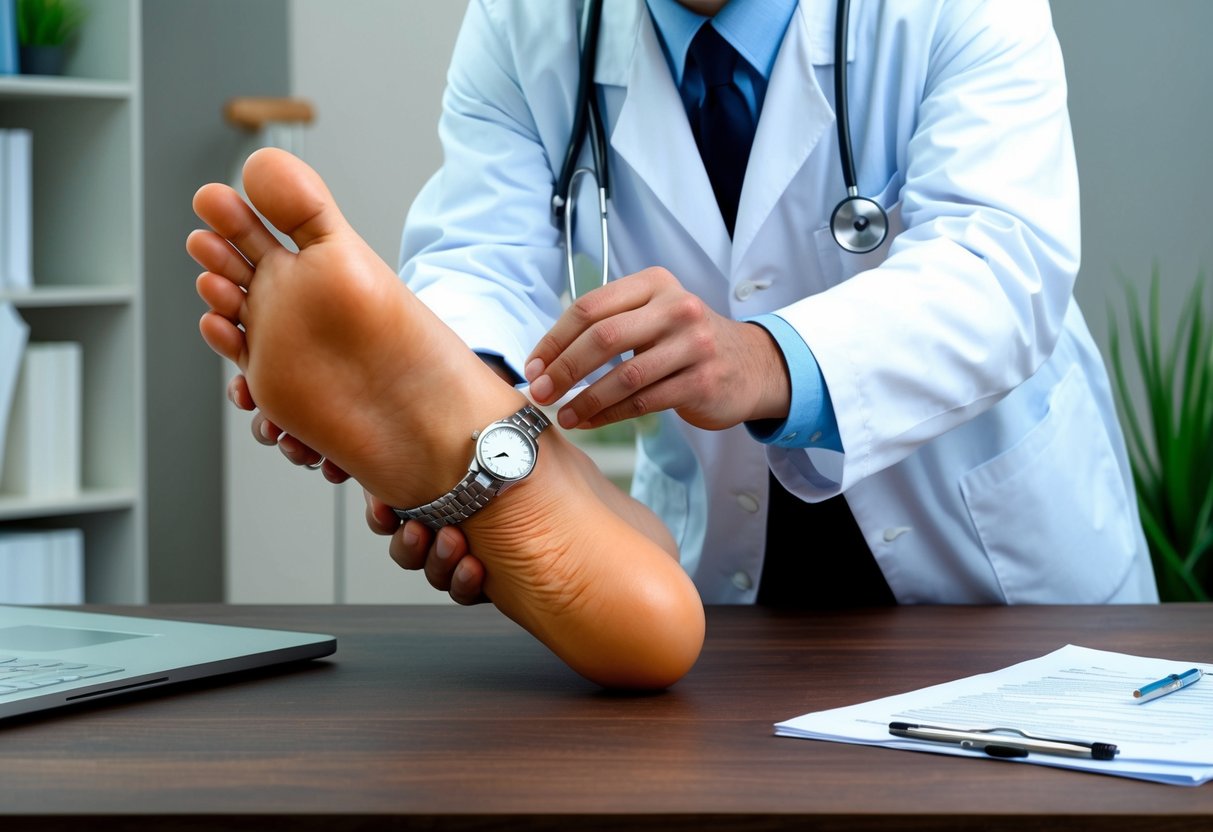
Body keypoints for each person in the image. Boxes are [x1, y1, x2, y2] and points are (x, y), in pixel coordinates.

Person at [230, 0, 1159, 607]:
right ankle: (453, 428)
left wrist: (763, 358)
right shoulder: (529, 21)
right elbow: (483, 255)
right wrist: (452, 398)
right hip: (726, 572)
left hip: (997, 571)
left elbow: (1003, 267)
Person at [187, 147, 706, 690]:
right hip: (689, 519)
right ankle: (497, 438)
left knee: (660, 603)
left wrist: (784, 358)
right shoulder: (532, 56)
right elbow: (486, 239)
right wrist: (466, 377)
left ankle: (497, 447)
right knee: (655, 555)